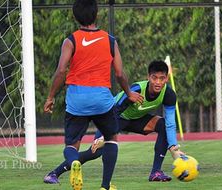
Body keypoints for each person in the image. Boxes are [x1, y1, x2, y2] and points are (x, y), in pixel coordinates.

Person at [43, 1, 143, 190]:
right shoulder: (110, 40)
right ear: (97, 14)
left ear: (75, 17)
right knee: (111, 138)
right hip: (102, 100)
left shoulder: (70, 40)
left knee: (72, 145)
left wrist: (50, 97)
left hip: (76, 100)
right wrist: (129, 93)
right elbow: (120, 73)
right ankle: (105, 186)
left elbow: (61, 71)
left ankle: (74, 163)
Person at [45, 60, 185, 184]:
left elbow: (170, 123)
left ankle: (156, 172)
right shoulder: (136, 90)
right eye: (154, 78)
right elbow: (113, 113)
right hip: (113, 117)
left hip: (136, 120)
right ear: (148, 77)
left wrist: (173, 147)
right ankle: (54, 173)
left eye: (162, 78)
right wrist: (104, 138)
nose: (158, 82)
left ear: (166, 78)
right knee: (95, 152)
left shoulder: (169, 94)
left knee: (162, 125)